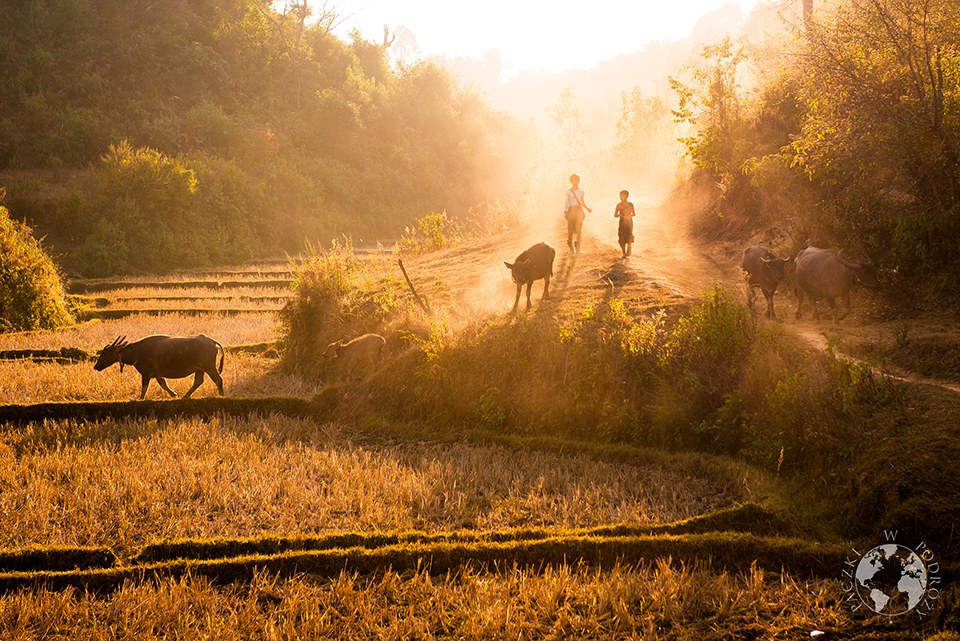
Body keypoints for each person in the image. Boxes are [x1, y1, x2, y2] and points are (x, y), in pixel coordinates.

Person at [563, 174, 592, 253]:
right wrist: (565, 212)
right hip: (571, 210)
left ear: (579, 181)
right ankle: (571, 249)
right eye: (573, 181)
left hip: (579, 211)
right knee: (570, 231)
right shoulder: (568, 192)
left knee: (579, 230)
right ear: (571, 182)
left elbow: (582, 202)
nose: (575, 182)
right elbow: (565, 202)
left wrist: (587, 208)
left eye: (576, 181)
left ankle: (578, 249)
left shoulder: (581, 192)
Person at [614, 189, 635, 258]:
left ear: (627, 196)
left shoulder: (631, 205)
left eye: (623, 196)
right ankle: (624, 253)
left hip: (629, 221)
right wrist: (620, 215)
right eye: (620, 196)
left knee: (629, 234)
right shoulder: (619, 205)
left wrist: (629, 215)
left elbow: (634, 214)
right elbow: (615, 214)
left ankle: (629, 247)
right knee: (621, 235)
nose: (621, 197)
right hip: (622, 222)